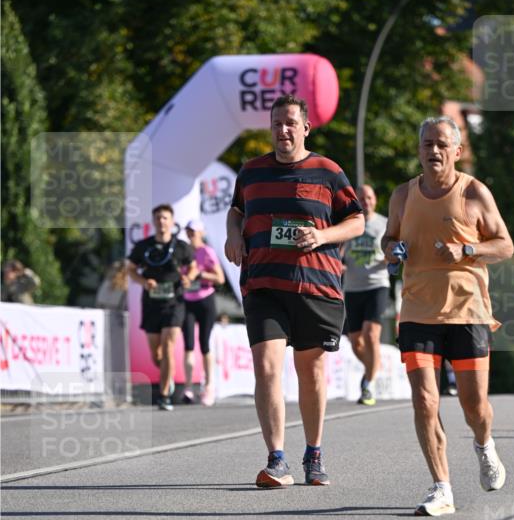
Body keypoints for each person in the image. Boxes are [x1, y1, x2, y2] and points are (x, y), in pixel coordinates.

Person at [224, 93, 364, 487]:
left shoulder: (327, 171)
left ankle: (313, 454)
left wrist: (322, 236)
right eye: (276, 124)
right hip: (263, 284)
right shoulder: (251, 172)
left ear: (305, 128)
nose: (283, 130)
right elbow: (236, 211)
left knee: (311, 371)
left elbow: (356, 221)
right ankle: (276, 459)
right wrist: (232, 235)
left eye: (290, 123)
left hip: (315, 288)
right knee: (266, 367)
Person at [382, 115, 514, 517]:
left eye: (442, 144)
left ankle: (484, 444)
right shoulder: (403, 195)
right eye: (427, 144)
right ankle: (442, 487)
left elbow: (505, 245)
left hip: (467, 310)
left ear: (457, 151)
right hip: (418, 311)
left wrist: (468, 251)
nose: (434, 151)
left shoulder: (474, 192)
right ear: (419, 150)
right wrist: (392, 250)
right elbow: (389, 237)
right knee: (424, 400)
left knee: (475, 406)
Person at [127, 204, 197, 411]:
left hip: (174, 302)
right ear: (153, 221)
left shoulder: (181, 246)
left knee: (168, 348)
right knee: (156, 355)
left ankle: (164, 395)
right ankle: (167, 376)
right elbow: (130, 269)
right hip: (151, 304)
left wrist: (188, 278)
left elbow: (193, 267)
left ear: (172, 222)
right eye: (158, 218)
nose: (161, 221)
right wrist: (143, 281)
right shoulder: (143, 246)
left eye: (165, 218)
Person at [342, 184, 390, 406]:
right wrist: (338, 264)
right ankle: (372, 367)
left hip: (377, 285)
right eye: (361, 198)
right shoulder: (350, 223)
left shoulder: (384, 223)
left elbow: (394, 248)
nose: (366, 201)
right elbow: (339, 251)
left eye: (369, 197)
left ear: (375, 200)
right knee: (356, 344)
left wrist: (391, 257)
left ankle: (368, 386)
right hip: (352, 288)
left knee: (371, 335)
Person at [181, 218, 225, 407]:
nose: (191, 234)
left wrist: (201, 274)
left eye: (194, 231)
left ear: (201, 233)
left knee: (205, 344)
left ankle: (209, 387)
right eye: (189, 231)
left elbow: (220, 278)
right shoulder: (184, 252)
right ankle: (189, 387)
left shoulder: (206, 251)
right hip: (188, 300)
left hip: (205, 300)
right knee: (189, 345)